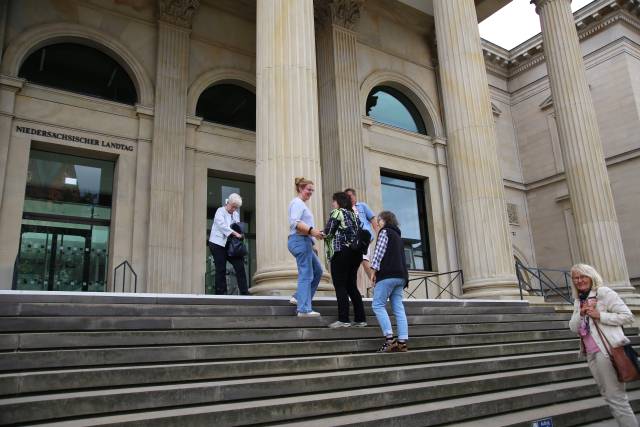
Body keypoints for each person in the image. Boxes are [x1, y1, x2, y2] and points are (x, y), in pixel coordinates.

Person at [568, 263, 637, 427]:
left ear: (591, 276)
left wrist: (600, 315)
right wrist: (581, 313)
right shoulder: (579, 300)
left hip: (607, 352)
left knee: (617, 399)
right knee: (609, 396)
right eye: (576, 278)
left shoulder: (603, 293)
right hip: (590, 354)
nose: (579, 280)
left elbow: (627, 316)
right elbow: (573, 327)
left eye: (583, 276)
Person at [323, 192, 367, 328]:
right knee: (352, 286)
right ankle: (360, 319)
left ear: (339, 201)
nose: (332, 203)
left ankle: (343, 319)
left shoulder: (337, 212)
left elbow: (328, 231)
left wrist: (317, 233)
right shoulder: (354, 214)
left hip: (341, 252)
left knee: (340, 286)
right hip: (355, 254)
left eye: (334, 200)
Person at [369, 210, 409, 352]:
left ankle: (389, 339)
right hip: (401, 276)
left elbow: (379, 253)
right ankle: (402, 342)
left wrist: (373, 272)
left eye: (379, 220)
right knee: (398, 308)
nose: (378, 222)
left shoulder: (385, 232)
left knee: (377, 305)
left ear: (384, 220)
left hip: (387, 275)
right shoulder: (398, 236)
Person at [288, 177, 324, 317]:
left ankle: (299, 297)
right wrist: (312, 231)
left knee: (318, 271)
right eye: (308, 189)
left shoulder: (301, 204)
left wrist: (312, 241)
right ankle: (303, 309)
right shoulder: (297, 203)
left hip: (305, 241)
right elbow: (295, 223)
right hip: (299, 240)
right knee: (306, 273)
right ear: (300, 188)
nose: (310, 192)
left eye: (312, 190)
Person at [208, 193, 249, 295]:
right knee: (220, 268)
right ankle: (221, 294)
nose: (234, 209)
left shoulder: (236, 214)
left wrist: (240, 233)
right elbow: (223, 226)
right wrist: (235, 233)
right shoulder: (220, 211)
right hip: (217, 244)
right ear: (228, 202)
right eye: (233, 206)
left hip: (230, 245)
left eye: (236, 208)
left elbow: (237, 227)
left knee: (240, 266)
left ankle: (244, 292)